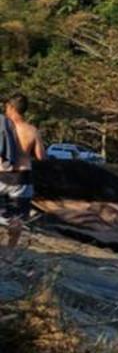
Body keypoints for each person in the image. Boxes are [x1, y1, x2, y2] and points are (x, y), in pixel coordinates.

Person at [1, 92, 46, 252]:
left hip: (1, 175)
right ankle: (9, 253)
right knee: (17, 219)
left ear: (11, 108)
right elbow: (41, 157)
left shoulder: (1, 127)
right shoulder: (32, 130)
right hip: (22, 178)